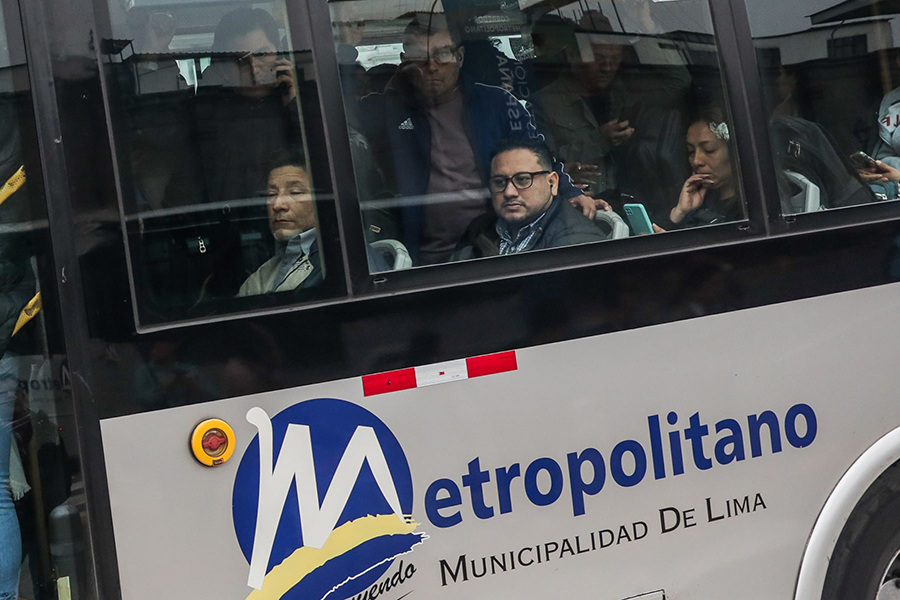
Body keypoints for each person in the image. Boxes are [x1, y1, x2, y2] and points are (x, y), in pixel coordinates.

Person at [354, 14, 599, 265]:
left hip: (493, 250)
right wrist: (350, 46)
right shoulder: (388, 110)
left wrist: (571, 192)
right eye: (420, 57)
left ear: (459, 57)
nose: (432, 65)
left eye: (442, 54)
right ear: (404, 62)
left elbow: (538, 155)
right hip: (417, 261)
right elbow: (337, 114)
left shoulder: (496, 104)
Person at [530, 17, 691, 217]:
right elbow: (540, 166)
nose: (607, 67)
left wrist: (646, 24)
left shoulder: (625, 90)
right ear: (573, 55)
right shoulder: (544, 102)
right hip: (584, 209)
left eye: (614, 59)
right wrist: (600, 140)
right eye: (597, 58)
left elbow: (679, 81)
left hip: (640, 204)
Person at [454, 137, 607, 260]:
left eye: (522, 179)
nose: (509, 192)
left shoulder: (574, 244)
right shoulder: (480, 228)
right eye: (499, 182)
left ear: (552, 183)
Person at [238, 152, 323, 296]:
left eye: (295, 192)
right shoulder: (262, 275)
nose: (277, 205)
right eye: (271, 194)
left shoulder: (335, 262)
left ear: (320, 200)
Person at [656, 110, 745, 230]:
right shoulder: (699, 201)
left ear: (734, 152)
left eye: (709, 150)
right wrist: (680, 213)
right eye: (691, 151)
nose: (696, 161)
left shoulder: (752, 209)